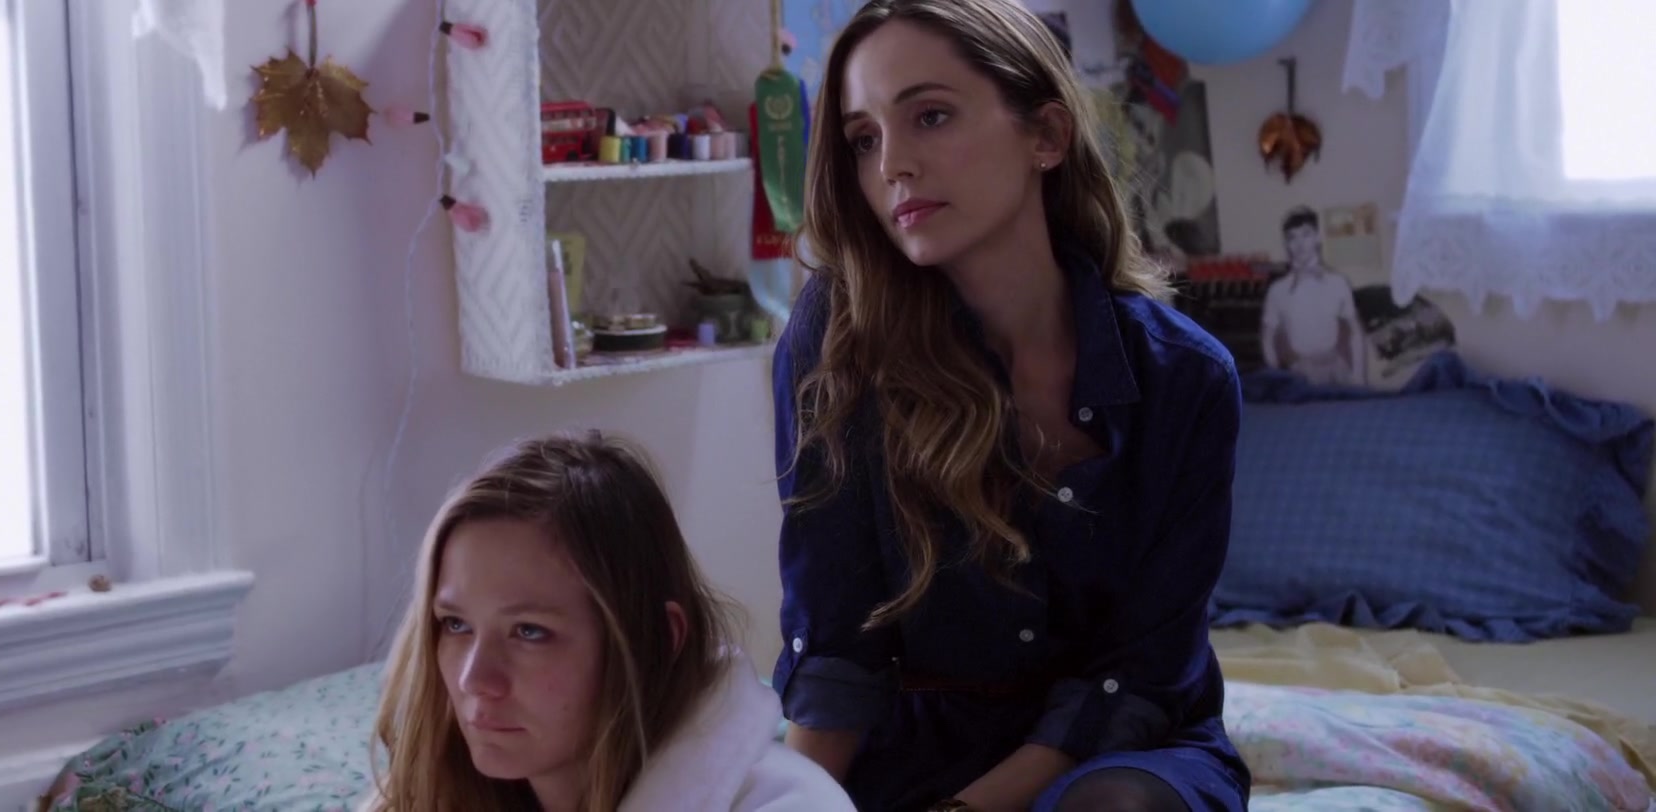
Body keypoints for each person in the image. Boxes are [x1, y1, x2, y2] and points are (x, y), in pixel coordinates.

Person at [770, 1, 1251, 811]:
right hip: (912, 745)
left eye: (930, 116)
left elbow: (1140, 674)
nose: (893, 165)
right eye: (863, 139)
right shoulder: (836, 343)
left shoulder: (1186, 379)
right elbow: (837, 640)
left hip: (1118, 754)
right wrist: (794, 803)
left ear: (1047, 136)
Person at [364, 430, 855, 812]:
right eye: (455, 625)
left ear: (658, 640)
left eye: (530, 632)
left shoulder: (793, 805)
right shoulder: (433, 794)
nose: (474, 680)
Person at [1259, 207, 1368, 386]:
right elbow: (1267, 338)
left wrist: (1358, 375)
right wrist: (1276, 377)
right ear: (1286, 244)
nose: (1300, 243)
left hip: (1336, 368)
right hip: (1301, 372)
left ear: (1317, 238)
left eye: (1306, 234)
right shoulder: (1277, 291)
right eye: (1292, 237)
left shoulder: (1338, 283)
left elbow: (1355, 330)